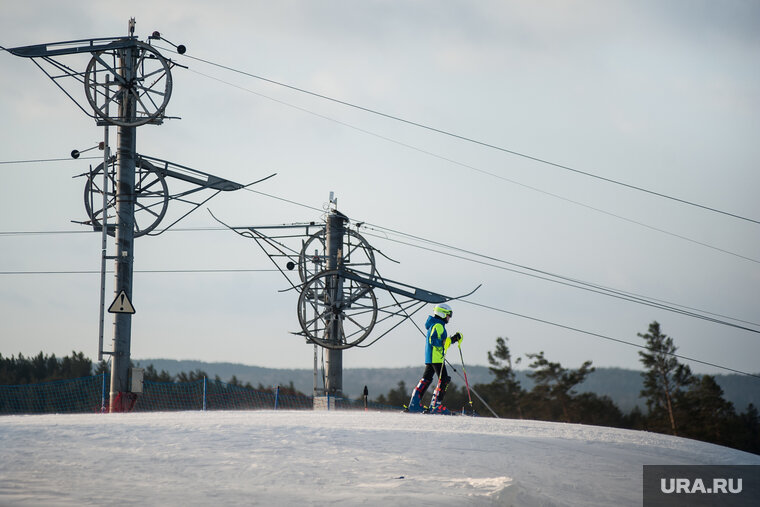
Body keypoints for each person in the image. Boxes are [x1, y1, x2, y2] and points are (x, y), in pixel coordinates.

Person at [406, 303, 462, 414]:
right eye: (448, 315)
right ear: (442, 313)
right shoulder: (438, 325)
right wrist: (448, 341)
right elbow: (434, 340)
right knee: (444, 380)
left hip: (431, 357)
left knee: (426, 378)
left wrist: (453, 339)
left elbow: (442, 342)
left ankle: (414, 404)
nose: (449, 318)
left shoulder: (436, 324)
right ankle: (435, 406)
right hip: (436, 357)